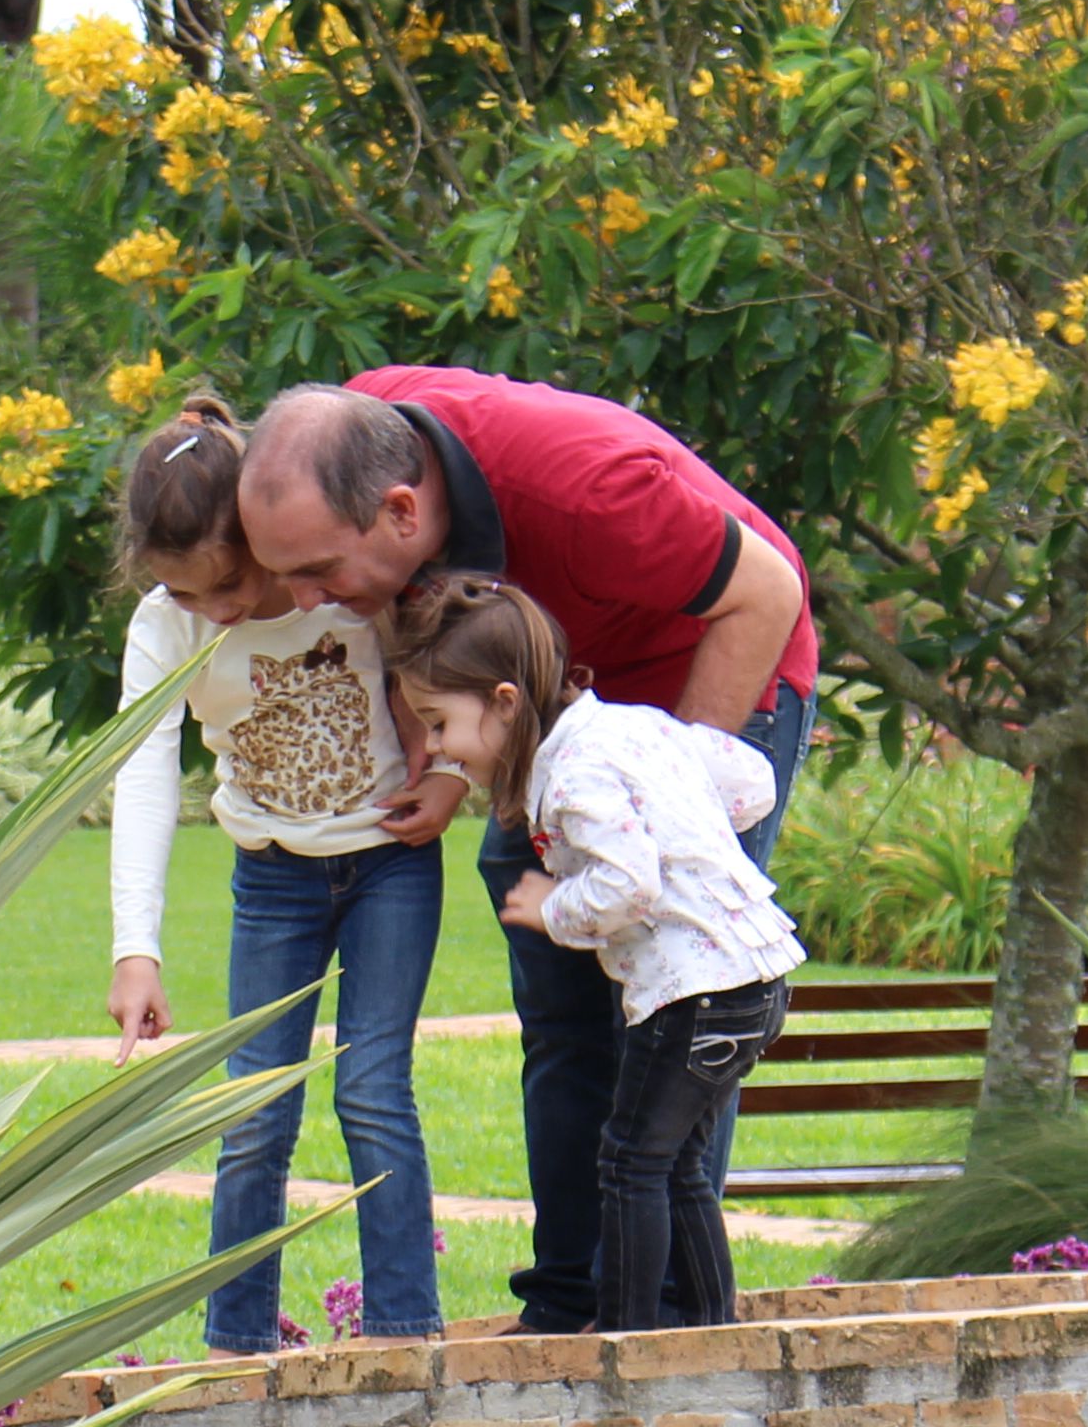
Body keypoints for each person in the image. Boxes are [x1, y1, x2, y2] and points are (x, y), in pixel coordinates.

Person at [234, 371, 819, 1333]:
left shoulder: (588, 492)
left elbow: (765, 592)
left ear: (402, 512)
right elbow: (413, 627)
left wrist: (662, 807)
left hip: (702, 681)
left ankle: (670, 1324)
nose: (305, 600)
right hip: (544, 707)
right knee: (563, 1010)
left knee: (675, 999)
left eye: (319, 572)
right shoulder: (354, 428)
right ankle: (569, 1301)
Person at [99, 394, 439, 1354]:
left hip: (387, 868)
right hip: (273, 882)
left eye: (228, 586)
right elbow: (144, 775)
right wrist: (137, 949)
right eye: (189, 596)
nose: (218, 613)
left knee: (373, 1092)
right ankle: (236, 1347)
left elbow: (440, 671)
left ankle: (405, 1339)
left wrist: (448, 775)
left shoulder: (337, 583)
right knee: (253, 1111)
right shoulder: (167, 627)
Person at [382, 572, 803, 1336]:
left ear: (506, 702)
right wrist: (690, 814)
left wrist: (553, 909)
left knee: (629, 1162)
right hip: (754, 977)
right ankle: (705, 1328)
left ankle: (628, 1343)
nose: (438, 747)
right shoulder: (632, 728)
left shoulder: (576, 775)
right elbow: (752, 784)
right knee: (674, 1166)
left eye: (440, 724)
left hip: (694, 991)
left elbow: (628, 886)